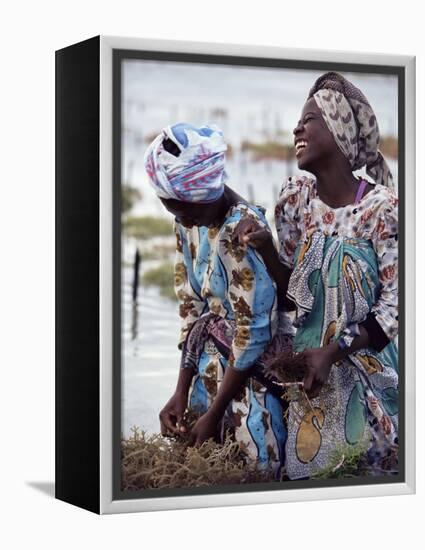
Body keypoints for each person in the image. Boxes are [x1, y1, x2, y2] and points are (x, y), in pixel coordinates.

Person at [236, 72, 399, 479]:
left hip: (367, 371)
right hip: (312, 376)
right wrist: (267, 250)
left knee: (366, 472)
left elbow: (396, 308)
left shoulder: (383, 210)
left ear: (339, 131)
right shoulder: (296, 202)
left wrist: (334, 351)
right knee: (309, 477)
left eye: (309, 119)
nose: (297, 128)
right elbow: (294, 297)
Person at [143, 122, 288, 475]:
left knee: (252, 470)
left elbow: (253, 331)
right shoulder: (188, 220)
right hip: (208, 370)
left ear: (204, 196)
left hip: (249, 381)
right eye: (174, 212)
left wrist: (216, 412)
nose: (183, 221)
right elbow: (191, 304)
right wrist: (181, 390)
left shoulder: (242, 233)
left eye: (185, 211)